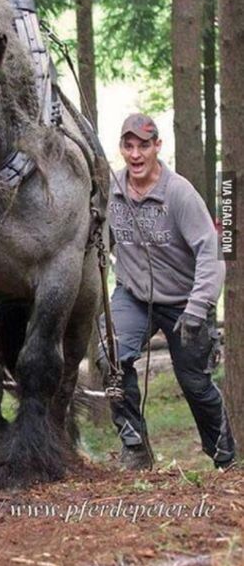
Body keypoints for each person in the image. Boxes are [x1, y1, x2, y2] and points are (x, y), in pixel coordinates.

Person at [98, 113, 235, 470]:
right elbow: (98, 239)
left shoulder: (179, 193)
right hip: (134, 298)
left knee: (195, 385)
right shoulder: (111, 189)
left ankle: (226, 459)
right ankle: (135, 447)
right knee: (110, 355)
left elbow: (212, 252)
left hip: (185, 301)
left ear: (157, 146)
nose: (136, 154)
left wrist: (198, 306)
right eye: (129, 146)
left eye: (144, 145)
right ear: (122, 150)